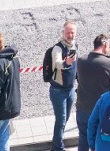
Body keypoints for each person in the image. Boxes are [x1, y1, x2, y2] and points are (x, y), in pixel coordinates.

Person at [77, 36, 110, 151]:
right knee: (99, 142)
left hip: (82, 109)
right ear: (105, 45)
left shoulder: (81, 61)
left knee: (83, 140)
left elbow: (78, 79)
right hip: (101, 111)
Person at [45, 22, 79, 151]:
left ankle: (56, 146)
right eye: (67, 33)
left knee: (64, 120)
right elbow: (58, 63)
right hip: (58, 90)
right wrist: (66, 63)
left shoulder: (75, 46)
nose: (70, 35)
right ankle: (58, 148)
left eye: (72, 32)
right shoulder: (57, 48)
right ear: (63, 33)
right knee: (61, 120)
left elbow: (76, 67)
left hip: (70, 89)